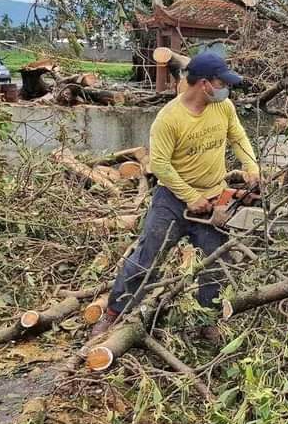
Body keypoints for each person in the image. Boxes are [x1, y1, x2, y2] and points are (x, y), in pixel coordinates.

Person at [91, 50, 260, 336]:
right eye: (221, 83)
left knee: (215, 260)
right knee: (148, 257)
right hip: (171, 200)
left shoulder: (224, 107)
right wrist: (190, 196)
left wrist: (251, 166)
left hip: (213, 197)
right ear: (204, 84)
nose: (225, 89)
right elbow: (160, 165)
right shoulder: (169, 118)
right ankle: (113, 313)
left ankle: (207, 320)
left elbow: (237, 137)